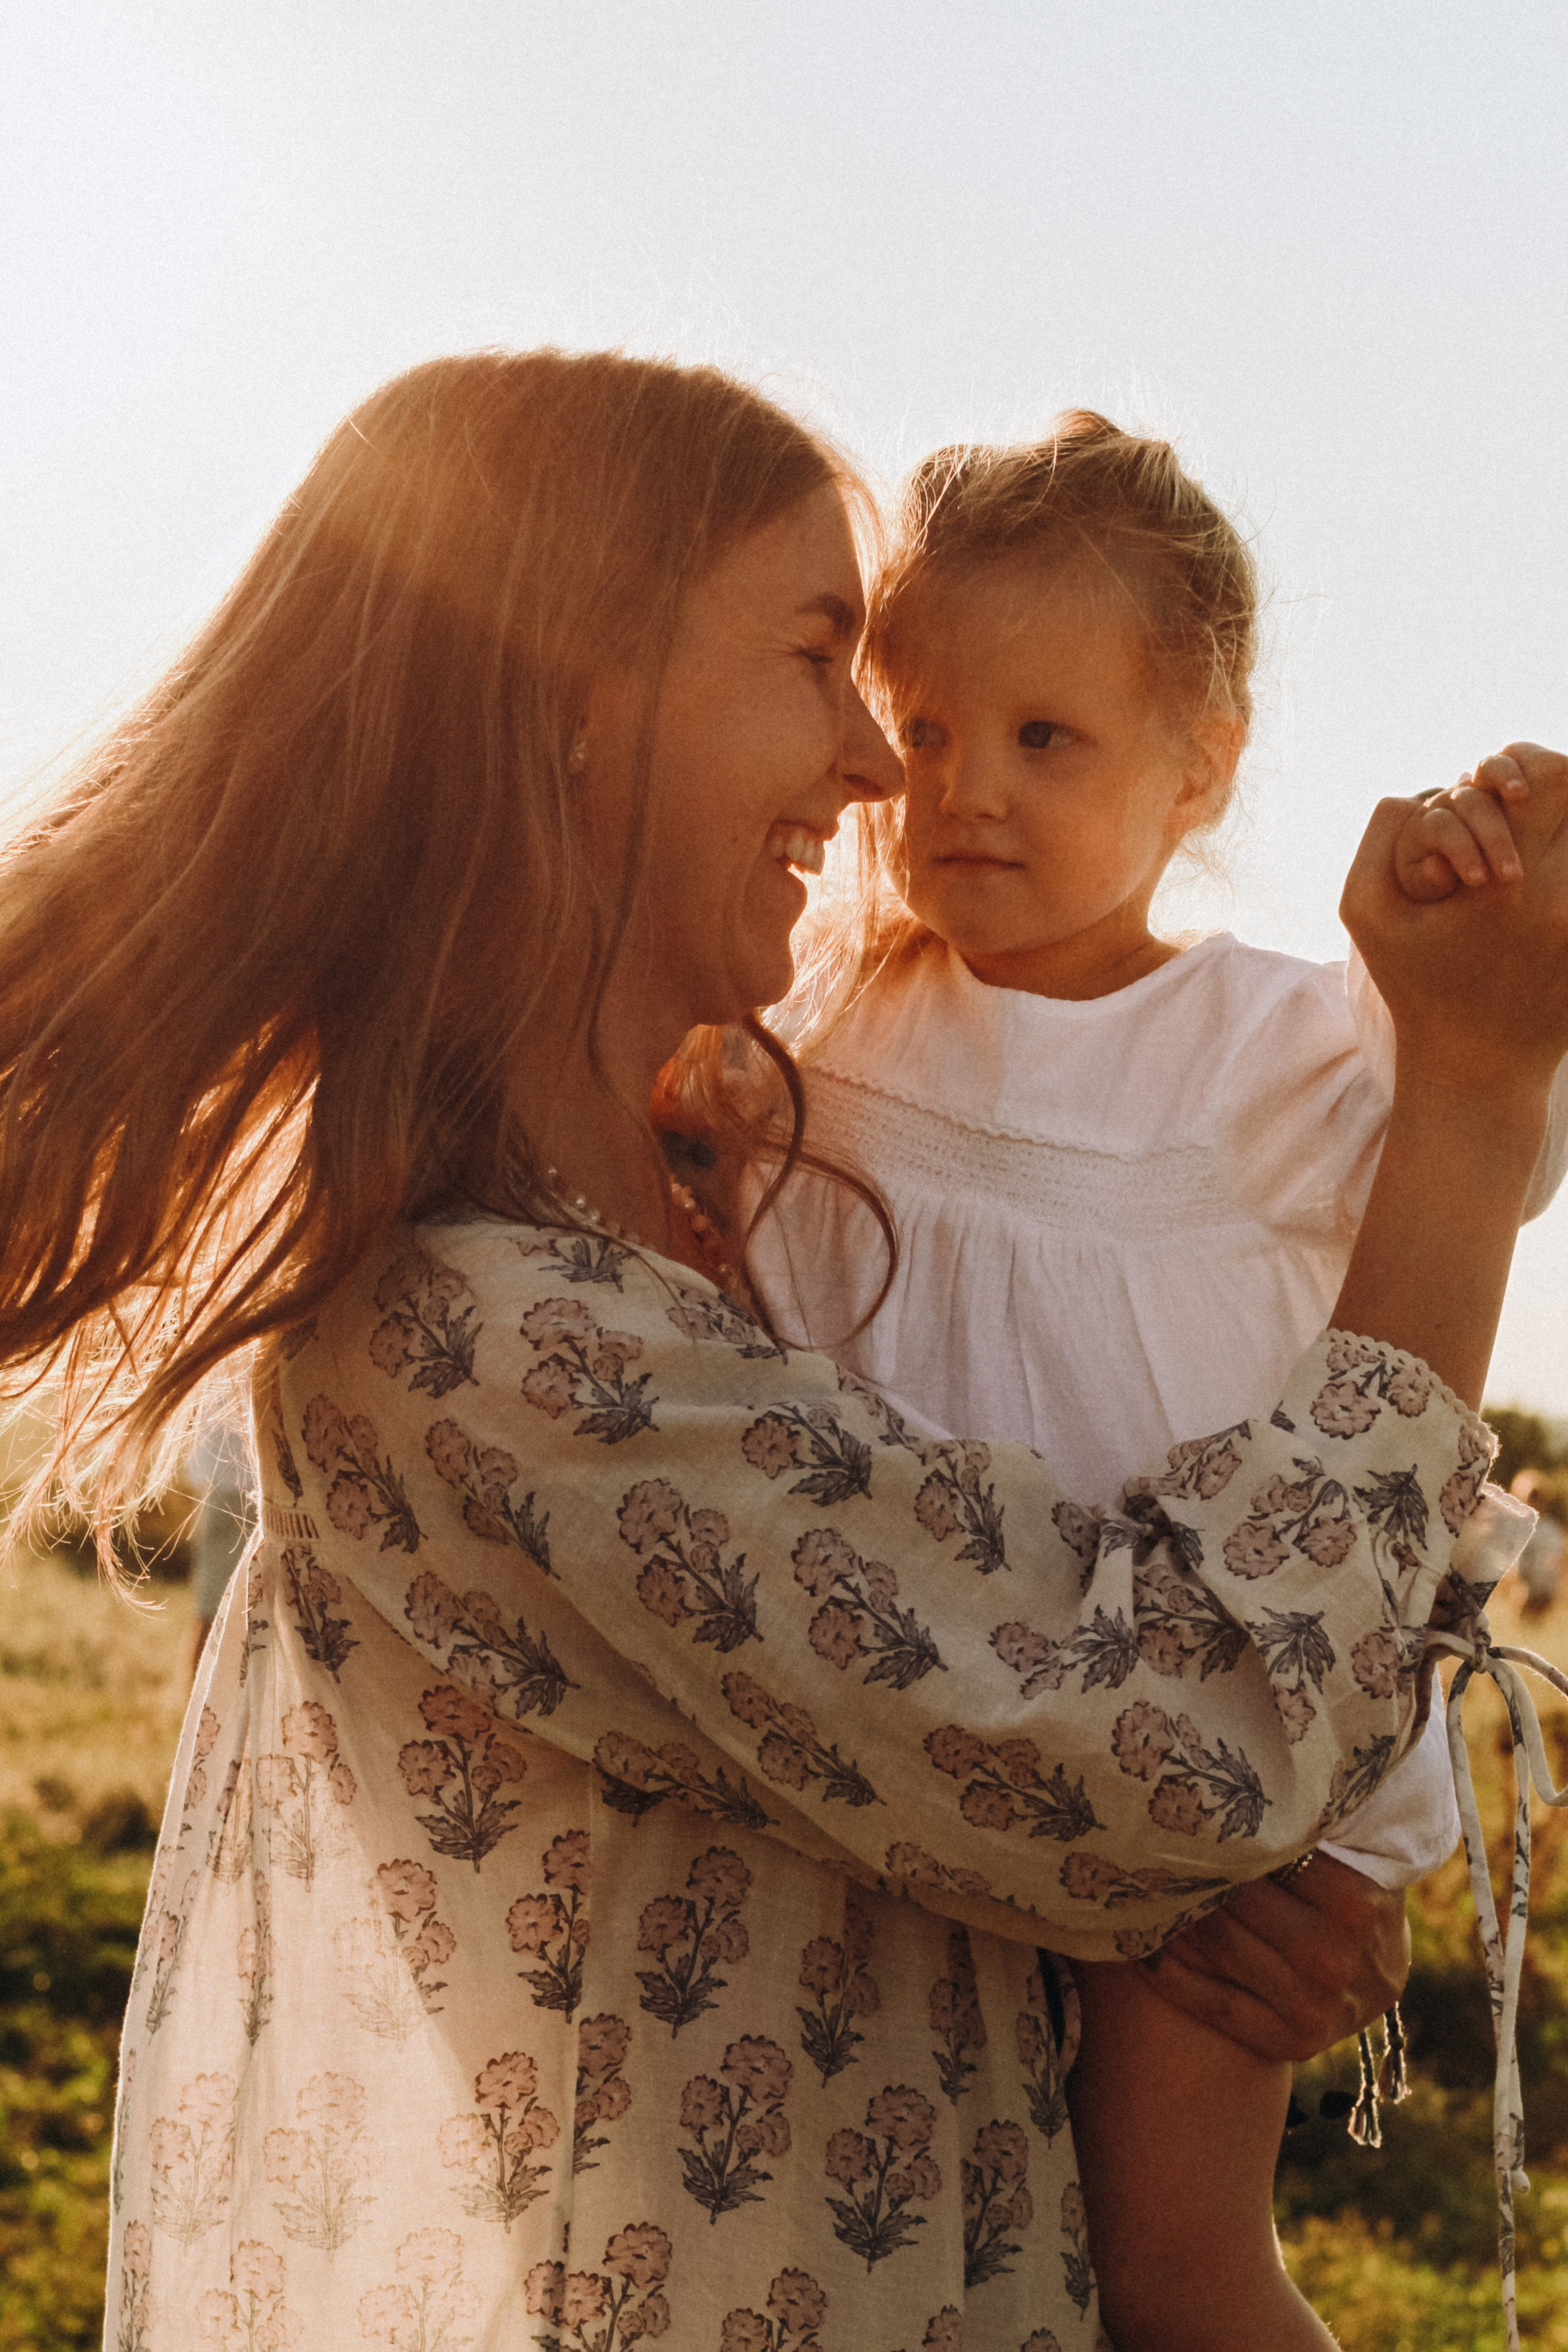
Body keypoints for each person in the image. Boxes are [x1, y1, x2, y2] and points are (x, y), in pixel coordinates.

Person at [1, 353, 1564, 2352]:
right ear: (575, 708)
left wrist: (1215, 1911)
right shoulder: (501, 1341)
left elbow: (1023, 1769)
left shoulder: (681, 1228)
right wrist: (1479, 1094)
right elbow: (1181, 1752)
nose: (881, 766)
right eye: (830, 663)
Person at [739, 417, 1567, 2346]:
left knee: (1173, 2263)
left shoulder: (1273, 1036)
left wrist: (1500, 890)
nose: (963, 791)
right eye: (925, 731)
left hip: (1210, 1727)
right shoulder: (836, 1008)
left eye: (1047, 739)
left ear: (1202, 767)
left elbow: (1493, 1142)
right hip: (905, 1711)